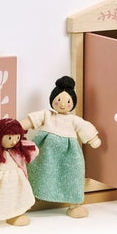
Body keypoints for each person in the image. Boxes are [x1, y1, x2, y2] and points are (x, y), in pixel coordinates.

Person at [21, 75, 101, 218]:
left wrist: (93, 139)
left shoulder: (73, 120)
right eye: (59, 100)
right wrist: (17, 126)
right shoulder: (47, 115)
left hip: (69, 154)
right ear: (52, 99)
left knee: (72, 174)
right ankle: (28, 199)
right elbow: (31, 120)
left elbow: (84, 127)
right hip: (45, 152)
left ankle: (74, 204)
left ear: (73, 103)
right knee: (38, 170)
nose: (63, 104)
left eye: (68, 101)